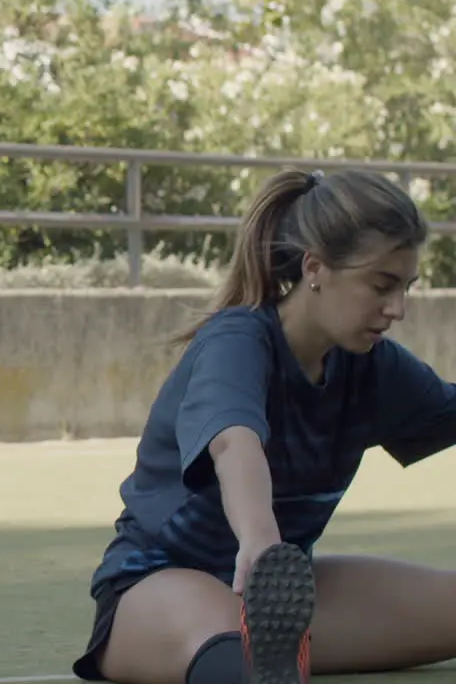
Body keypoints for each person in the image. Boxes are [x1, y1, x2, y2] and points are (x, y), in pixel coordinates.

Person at [69, 168, 456, 684]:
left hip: (273, 606)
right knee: (248, 663)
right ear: (315, 267)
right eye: (381, 285)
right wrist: (261, 542)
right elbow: (234, 442)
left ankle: (272, 649)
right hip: (157, 588)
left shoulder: (371, 363)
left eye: (406, 287)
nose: (397, 309)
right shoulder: (238, 339)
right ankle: (260, 662)